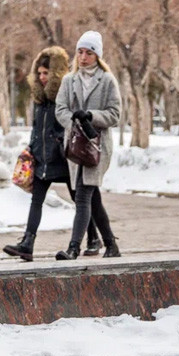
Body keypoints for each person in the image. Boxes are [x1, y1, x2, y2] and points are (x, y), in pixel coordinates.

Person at [3, 46, 102, 262]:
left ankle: (94, 237)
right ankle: (27, 243)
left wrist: (60, 141)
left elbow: (71, 123)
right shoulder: (39, 99)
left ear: (56, 73)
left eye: (46, 73)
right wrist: (32, 146)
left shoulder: (65, 94)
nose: (42, 77)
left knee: (80, 200)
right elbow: (36, 126)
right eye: (39, 73)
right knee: (36, 200)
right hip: (41, 158)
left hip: (65, 158)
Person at [54, 30, 121, 260]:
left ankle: (73, 248)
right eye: (80, 52)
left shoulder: (107, 80)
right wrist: (73, 121)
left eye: (89, 53)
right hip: (75, 146)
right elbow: (60, 109)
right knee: (93, 197)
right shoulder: (68, 80)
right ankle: (111, 245)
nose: (83, 57)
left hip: (97, 147)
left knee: (83, 195)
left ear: (97, 55)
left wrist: (90, 116)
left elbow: (115, 114)